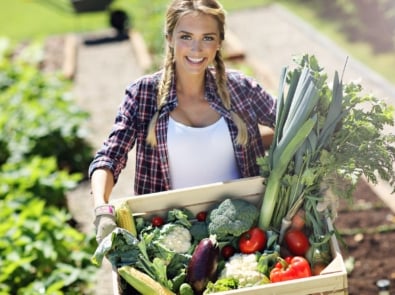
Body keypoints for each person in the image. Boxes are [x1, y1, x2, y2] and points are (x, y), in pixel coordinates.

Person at [89, 0, 277, 244]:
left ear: (219, 42)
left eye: (207, 38)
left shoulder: (241, 89)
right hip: (170, 238)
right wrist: (101, 208)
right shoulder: (143, 94)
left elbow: (292, 123)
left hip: (245, 237)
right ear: (169, 38)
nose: (196, 48)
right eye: (186, 36)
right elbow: (109, 157)